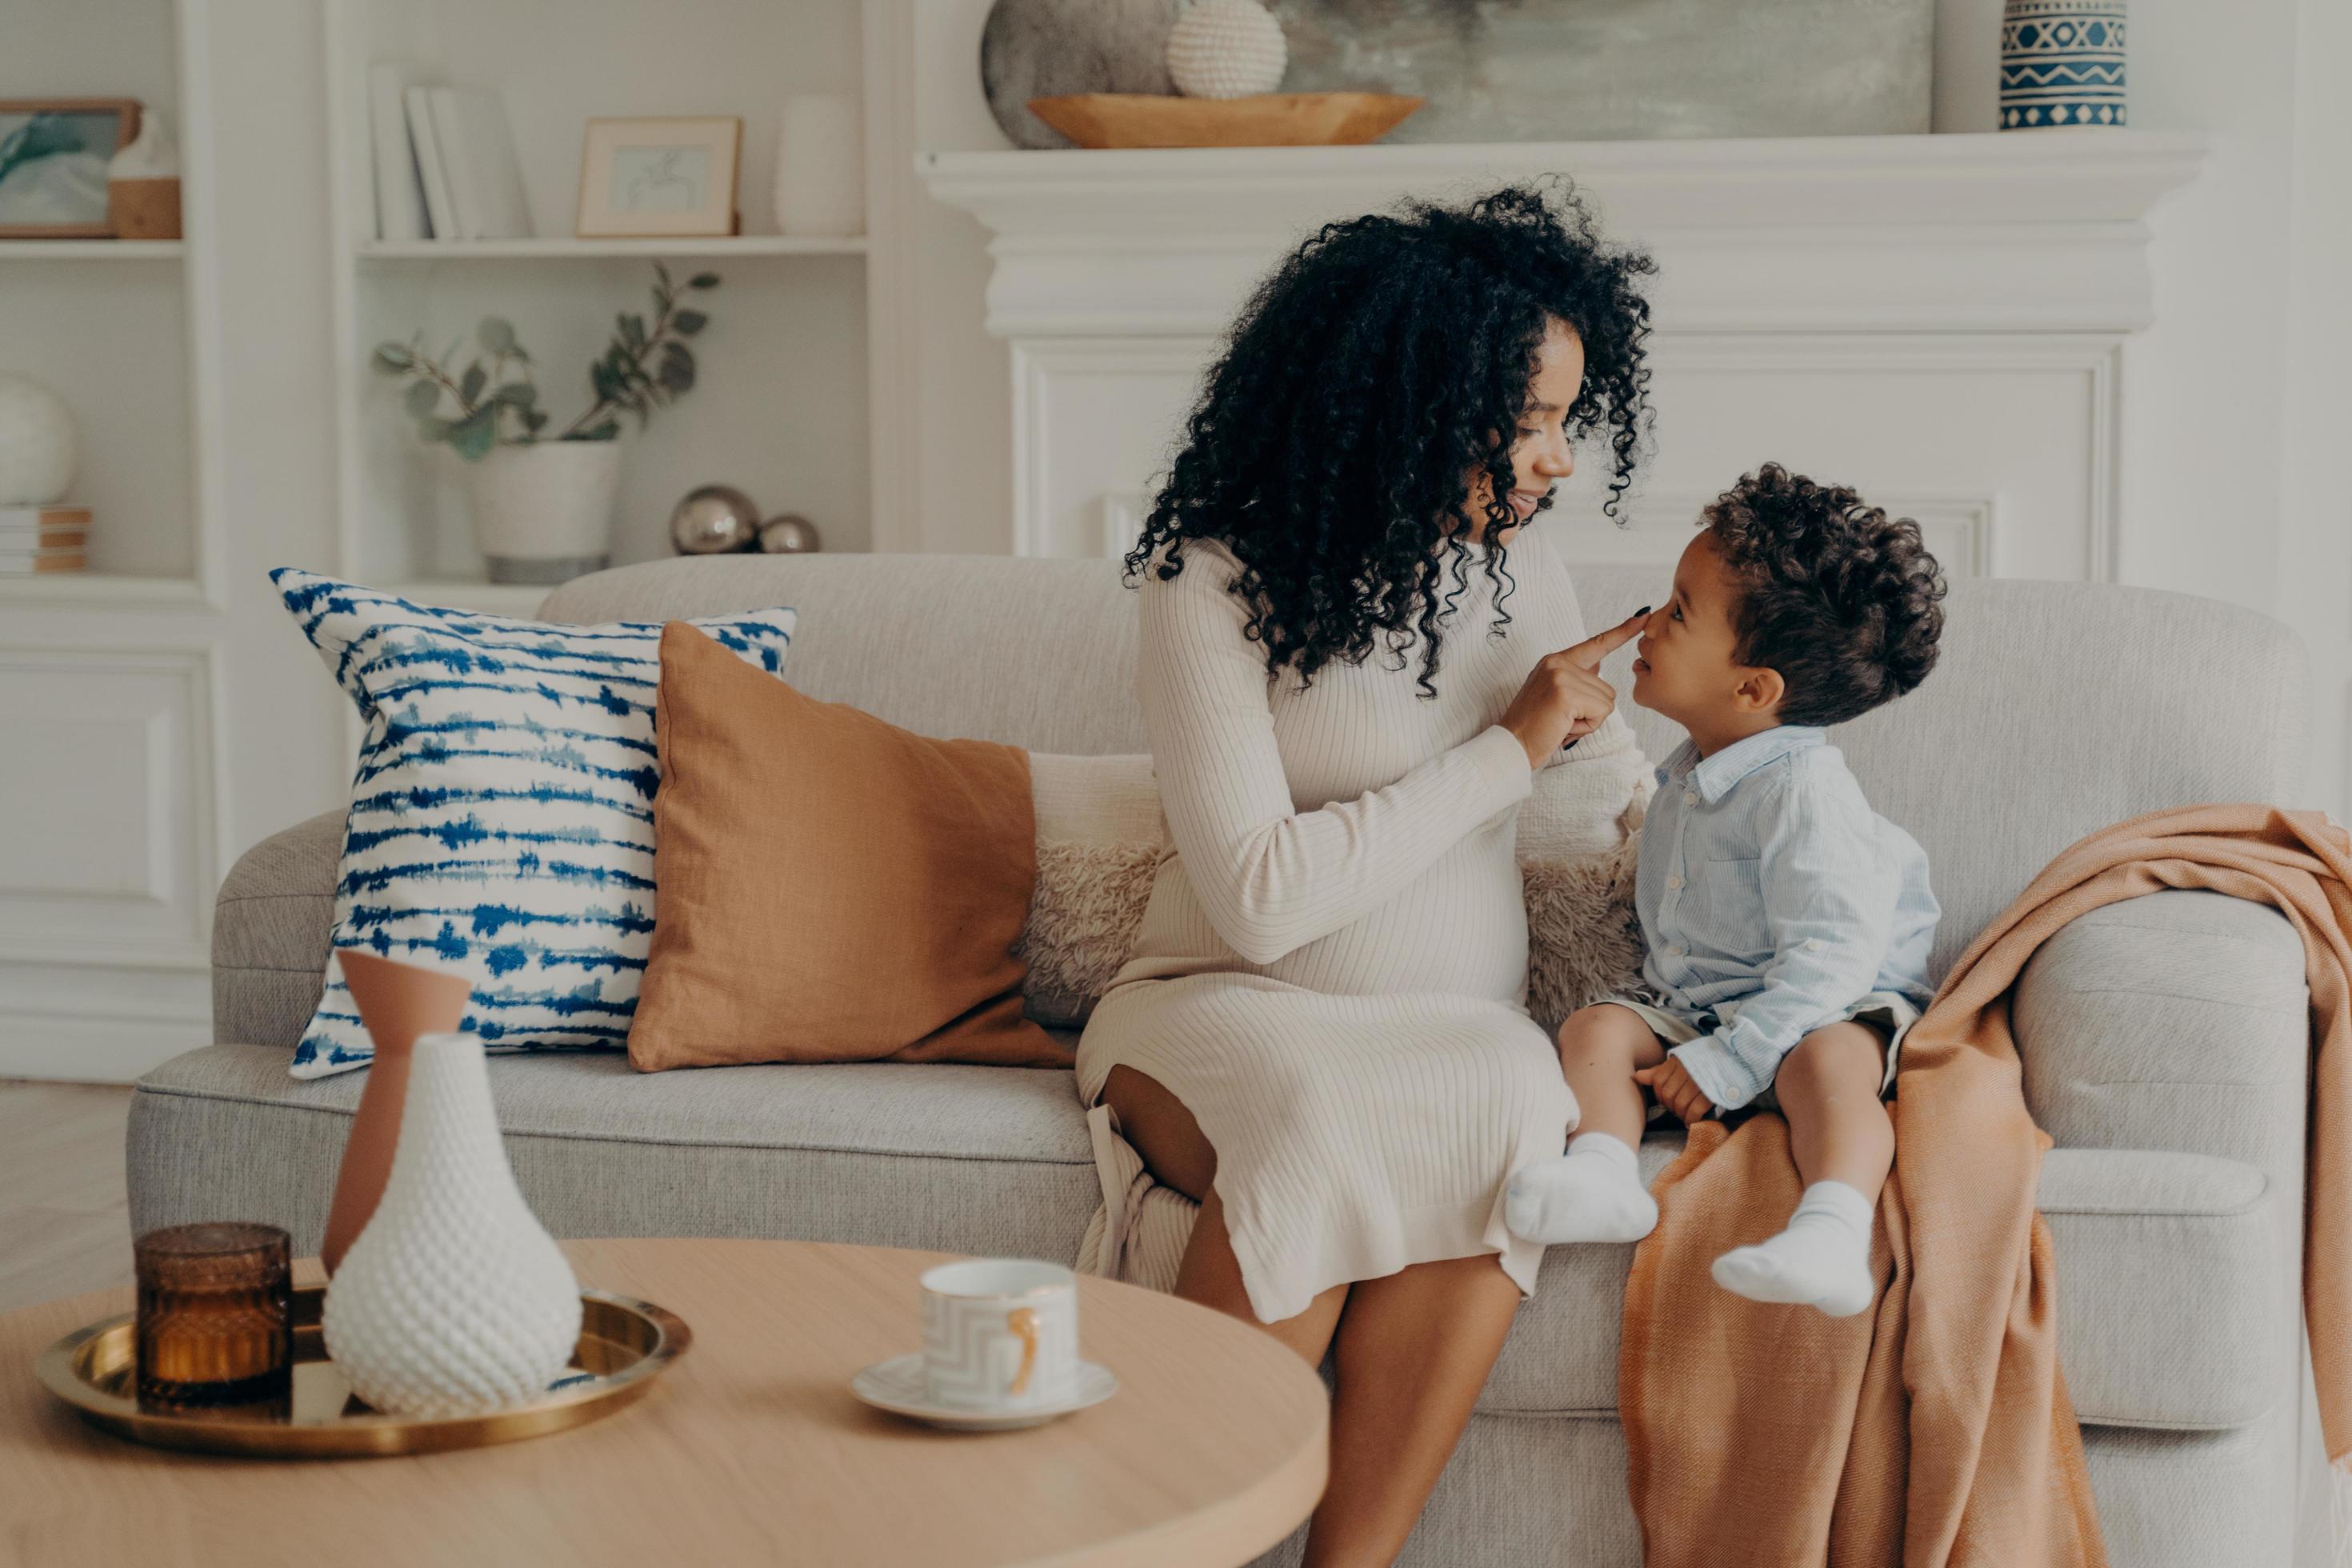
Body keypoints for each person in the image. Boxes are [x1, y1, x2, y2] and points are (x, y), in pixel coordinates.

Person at [1075, 181, 1655, 1566]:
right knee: (1332, 1108)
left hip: (1450, 1027)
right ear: (1403, 401)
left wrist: (1664, 779)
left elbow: (1584, 823)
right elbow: (1260, 902)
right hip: (1214, 1003)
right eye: (1527, 423)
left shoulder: (1527, 578)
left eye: (1569, 422)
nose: (1559, 461)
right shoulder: (1213, 581)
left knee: (1509, 1097)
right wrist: (1511, 748)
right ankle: (1171, 1543)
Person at [1504, 464, 1947, 1320]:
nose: (1649, 625)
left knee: (1830, 1064)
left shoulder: (1803, 793)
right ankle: (1602, 1171)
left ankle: (1830, 1228)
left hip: (1826, 1002)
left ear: (1753, 690)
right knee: (1595, 1026)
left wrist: (1737, 1060)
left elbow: (1831, 957)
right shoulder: (1692, 774)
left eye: (1677, 613)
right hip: (1704, 1004)